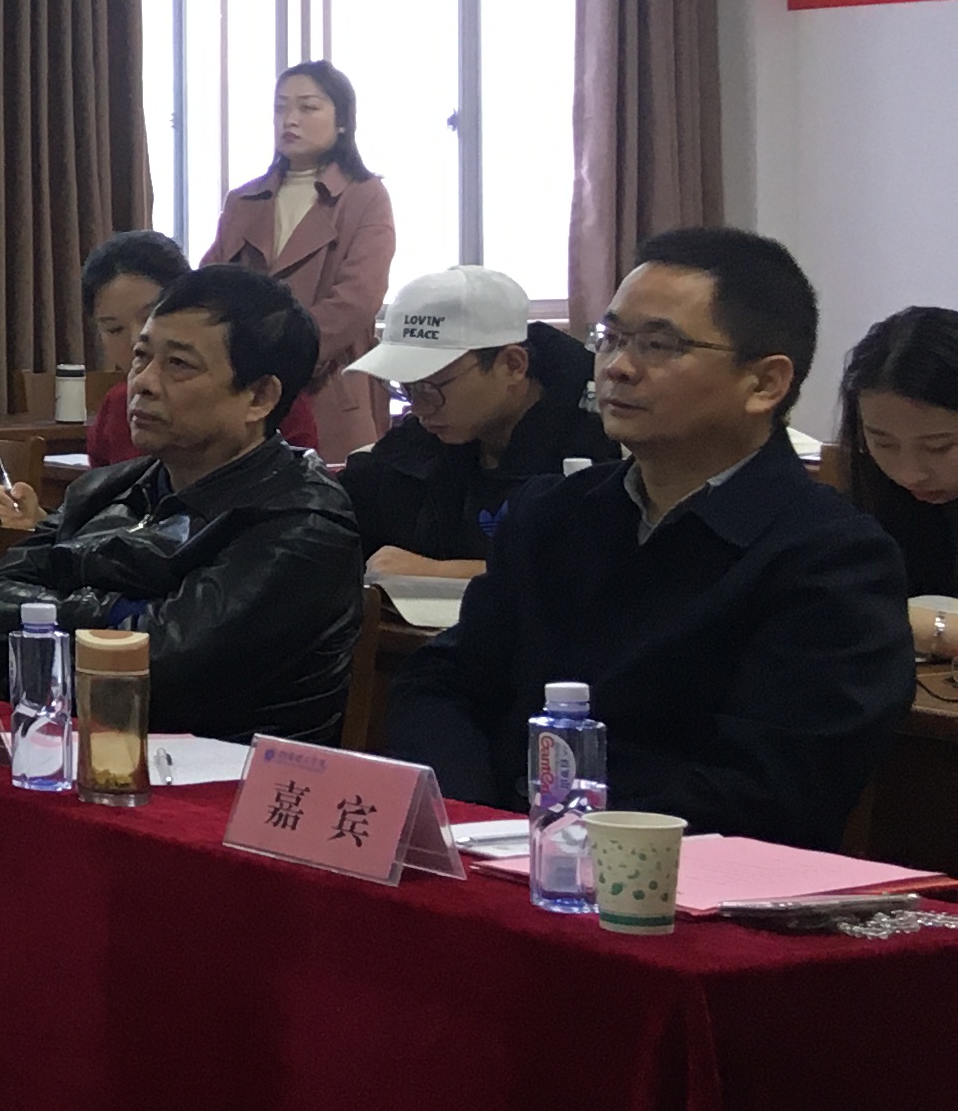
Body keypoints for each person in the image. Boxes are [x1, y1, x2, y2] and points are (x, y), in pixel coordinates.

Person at [384, 227, 910, 847]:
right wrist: (475, 824)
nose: (618, 367)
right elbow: (443, 685)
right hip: (500, 852)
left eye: (659, 345)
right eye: (609, 339)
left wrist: (561, 834)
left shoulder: (832, 558)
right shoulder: (553, 515)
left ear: (765, 383)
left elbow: (771, 788)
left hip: (678, 881)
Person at [0, 266, 365, 743]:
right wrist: (119, 613)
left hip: (228, 774)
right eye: (141, 357)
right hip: (81, 749)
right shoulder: (107, 489)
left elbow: (159, 670)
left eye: (179, 365)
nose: (143, 383)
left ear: (259, 396)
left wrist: (62, 605)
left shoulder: (305, 520)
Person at [338, 264, 603, 575]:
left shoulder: (599, 448)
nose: (419, 408)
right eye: (406, 387)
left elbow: (596, 571)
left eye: (431, 386)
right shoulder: (414, 448)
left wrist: (438, 573)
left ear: (513, 365)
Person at [203, 59, 396, 456]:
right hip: (244, 387)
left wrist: (286, 354)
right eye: (280, 107)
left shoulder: (365, 195)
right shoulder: (243, 200)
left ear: (342, 121)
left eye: (308, 107)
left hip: (328, 386)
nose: (290, 119)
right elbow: (209, 286)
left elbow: (358, 298)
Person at [66, 230, 316, 467]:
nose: (135, 339)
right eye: (114, 329)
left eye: (179, 362)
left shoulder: (270, 400)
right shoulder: (120, 405)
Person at [838, 306, 958, 654]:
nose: (910, 473)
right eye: (883, 442)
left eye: (938, 446)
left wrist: (931, 628)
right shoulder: (867, 502)